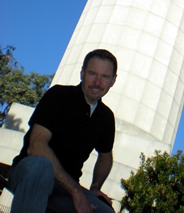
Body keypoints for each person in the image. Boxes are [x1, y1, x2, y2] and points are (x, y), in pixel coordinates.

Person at [8, 49, 118, 213]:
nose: (97, 82)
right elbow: (36, 147)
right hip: (29, 174)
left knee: (105, 211)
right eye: (92, 74)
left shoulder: (106, 117)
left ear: (113, 80)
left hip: (65, 189)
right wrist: (75, 191)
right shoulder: (59, 95)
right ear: (82, 73)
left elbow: (105, 156)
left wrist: (95, 187)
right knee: (41, 165)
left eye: (105, 77)